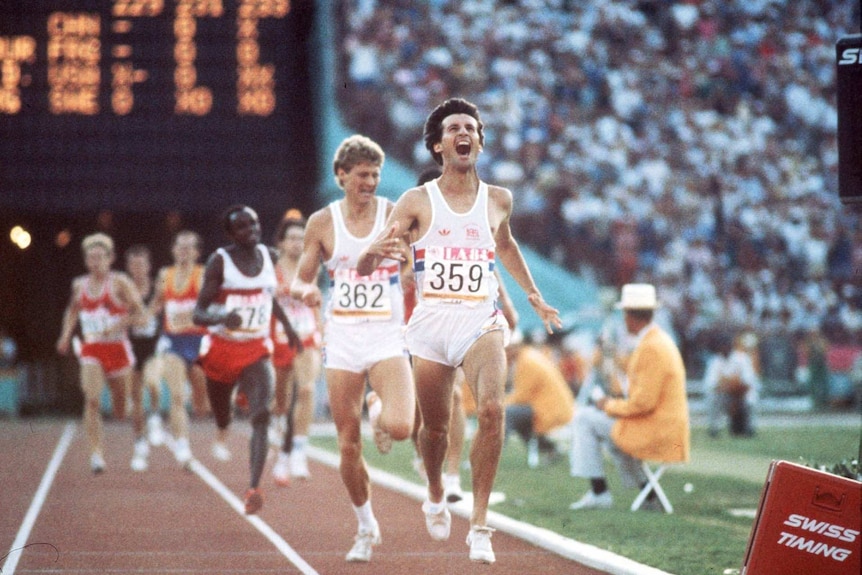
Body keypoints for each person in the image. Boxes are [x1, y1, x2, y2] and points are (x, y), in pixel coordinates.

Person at [357, 97, 562, 564]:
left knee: (491, 410)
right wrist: (377, 252)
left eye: (470, 127)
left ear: (479, 142)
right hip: (430, 325)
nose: (463, 132)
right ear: (438, 145)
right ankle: (434, 489)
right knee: (433, 431)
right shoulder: (415, 201)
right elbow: (370, 260)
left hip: (479, 319)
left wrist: (531, 294)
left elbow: (505, 245)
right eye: (453, 128)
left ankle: (480, 524)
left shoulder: (498, 199)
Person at [290, 134, 416, 563]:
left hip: (385, 334)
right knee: (348, 445)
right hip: (342, 338)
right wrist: (305, 291)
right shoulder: (322, 223)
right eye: (363, 175)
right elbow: (301, 278)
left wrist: (405, 262)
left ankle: (379, 410)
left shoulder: (393, 214)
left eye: (376, 175)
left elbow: (411, 260)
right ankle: (365, 526)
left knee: (401, 427)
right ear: (341, 175)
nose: (371, 182)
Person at [193, 205, 301, 514]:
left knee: (262, 415)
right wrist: (224, 316)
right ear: (230, 233)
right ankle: (228, 413)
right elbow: (197, 313)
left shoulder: (269, 256)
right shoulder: (220, 262)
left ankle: (253, 487)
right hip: (221, 350)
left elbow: (268, 299)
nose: (251, 231)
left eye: (254, 225)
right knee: (221, 415)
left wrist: (289, 327)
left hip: (256, 348)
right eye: (242, 227)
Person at [569, 283, 690, 511]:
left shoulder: (652, 346)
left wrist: (608, 405)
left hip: (658, 429)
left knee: (584, 419)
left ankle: (599, 492)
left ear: (630, 316)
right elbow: (639, 374)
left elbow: (644, 403)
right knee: (609, 430)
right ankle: (648, 494)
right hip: (661, 426)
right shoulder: (655, 341)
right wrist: (612, 354)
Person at [56, 233, 148, 473]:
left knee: (121, 410)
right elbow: (72, 310)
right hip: (91, 349)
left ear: (111, 259)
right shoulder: (79, 284)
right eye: (90, 257)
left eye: (100, 257)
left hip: (118, 350)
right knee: (92, 399)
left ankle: (140, 437)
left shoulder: (120, 283)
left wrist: (118, 324)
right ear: (86, 260)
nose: (95, 262)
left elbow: (142, 315)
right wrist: (65, 335)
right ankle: (96, 454)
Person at [148, 230, 210, 467]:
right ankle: (182, 446)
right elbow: (157, 302)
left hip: (199, 343)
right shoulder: (165, 274)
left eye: (189, 247)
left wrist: (193, 317)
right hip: (173, 341)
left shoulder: (202, 275)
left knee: (202, 405)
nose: (183, 251)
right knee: (176, 396)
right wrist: (144, 316)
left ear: (196, 252)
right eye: (180, 246)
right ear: (173, 250)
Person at [269, 212, 323, 486]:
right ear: (281, 242)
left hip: (306, 336)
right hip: (278, 338)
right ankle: (279, 436)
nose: (296, 243)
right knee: (282, 400)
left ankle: (299, 450)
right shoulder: (270, 269)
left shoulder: (311, 266)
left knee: (306, 389)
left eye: (301, 238)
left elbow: (316, 303)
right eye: (291, 238)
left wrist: (322, 336)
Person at [504, 329, 575, 468]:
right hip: (551, 407)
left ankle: (489, 454)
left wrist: (499, 404)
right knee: (518, 418)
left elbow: (521, 396)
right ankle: (551, 449)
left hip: (551, 410)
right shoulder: (529, 357)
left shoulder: (527, 362)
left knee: (506, 413)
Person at [124, 244, 167, 449]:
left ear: (149, 266)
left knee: (153, 382)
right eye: (134, 265)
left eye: (141, 264)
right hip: (132, 347)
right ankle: (139, 438)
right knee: (135, 396)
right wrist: (134, 319)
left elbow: (160, 308)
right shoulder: (124, 290)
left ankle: (156, 416)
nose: (138, 268)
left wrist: (146, 315)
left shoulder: (157, 288)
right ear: (129, 267)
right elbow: (119, 317)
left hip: (154, 345)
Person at [704, 330, 759, 438]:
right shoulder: (715, 361)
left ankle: (750, 428)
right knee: (711, 397)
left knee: (751, 398)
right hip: (724, 395)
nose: (725, 348)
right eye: (722, 345)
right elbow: (711, 384)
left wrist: (732, 385)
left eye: (727, 345)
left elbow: (748, 382)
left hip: (741, 395)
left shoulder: (742, 358)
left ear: (731, 345)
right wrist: (729, 384)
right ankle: (714, 428)